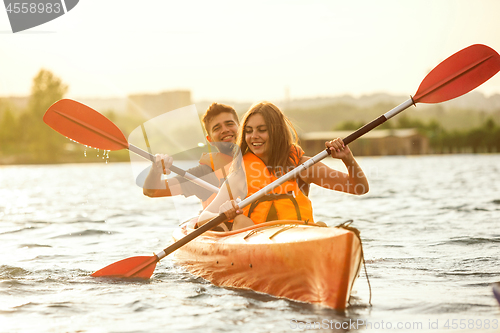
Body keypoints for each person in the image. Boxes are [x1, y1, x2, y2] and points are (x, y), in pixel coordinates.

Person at [198, 101, 369, 230]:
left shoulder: (303, 166)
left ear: (276, 131)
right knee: (241, 220)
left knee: (322, 227)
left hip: (297, 241)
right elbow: (203, 217)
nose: (253, 136)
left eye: (261, 130)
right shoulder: (240, 174)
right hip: (256, 248)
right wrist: (224, 211)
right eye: (249, 131)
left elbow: (359, 188)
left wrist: (348, 159)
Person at [142, 103, 239, 208]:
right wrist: (155, 170)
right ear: (210, 140)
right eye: (217, 128)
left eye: (229, 124)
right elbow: (152, 191)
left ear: (241, 127)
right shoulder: (203, 174)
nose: (225, 130)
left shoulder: (258, 159)